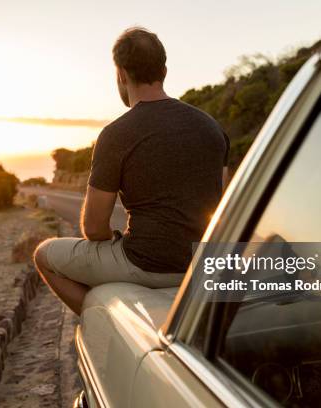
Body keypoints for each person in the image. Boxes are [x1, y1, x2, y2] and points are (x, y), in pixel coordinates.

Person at [34, 27, 229, 314]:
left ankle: (99, 323)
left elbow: (93, 227)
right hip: (205, 261)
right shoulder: (212, 127)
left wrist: (116, 244)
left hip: (146, 263)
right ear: (164, 70)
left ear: (122, 75)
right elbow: (224, 204)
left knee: (44, 255)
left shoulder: (116, 135)